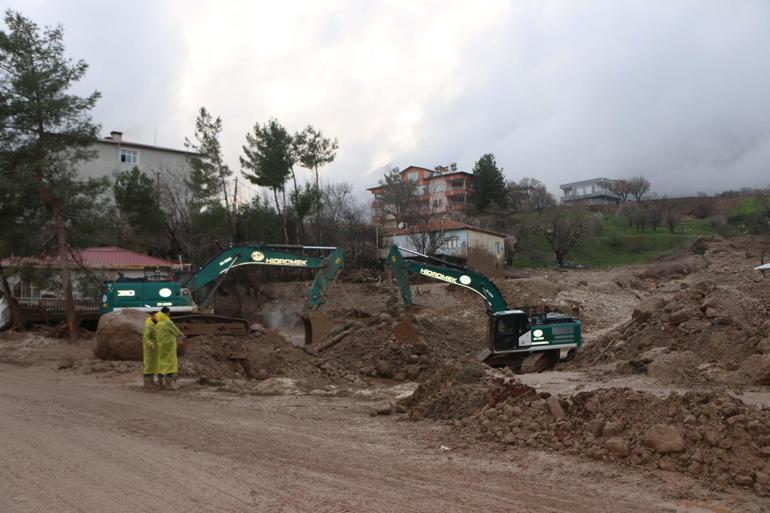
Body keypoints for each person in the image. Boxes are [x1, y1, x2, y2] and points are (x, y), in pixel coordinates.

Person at [156, 307, 183, 389]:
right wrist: (181, 336)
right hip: (169, 346)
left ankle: (160, 384)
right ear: (167, 312)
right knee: (170, 364)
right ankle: (169, 385)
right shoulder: (168, 322)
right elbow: (177, 332)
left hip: (160, 346)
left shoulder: (158, 323)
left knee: (160, 364)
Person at [142, 312, 159, 388]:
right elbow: (146, 337)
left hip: (155, 349)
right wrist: (150, 344)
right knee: (148, 365)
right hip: (149, 349)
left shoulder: (155, 324)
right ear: (152, 316)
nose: (157, 317)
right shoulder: (149, 326)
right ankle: (146, 383)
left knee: (153, 365)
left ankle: (152, 381)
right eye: (155, 316)